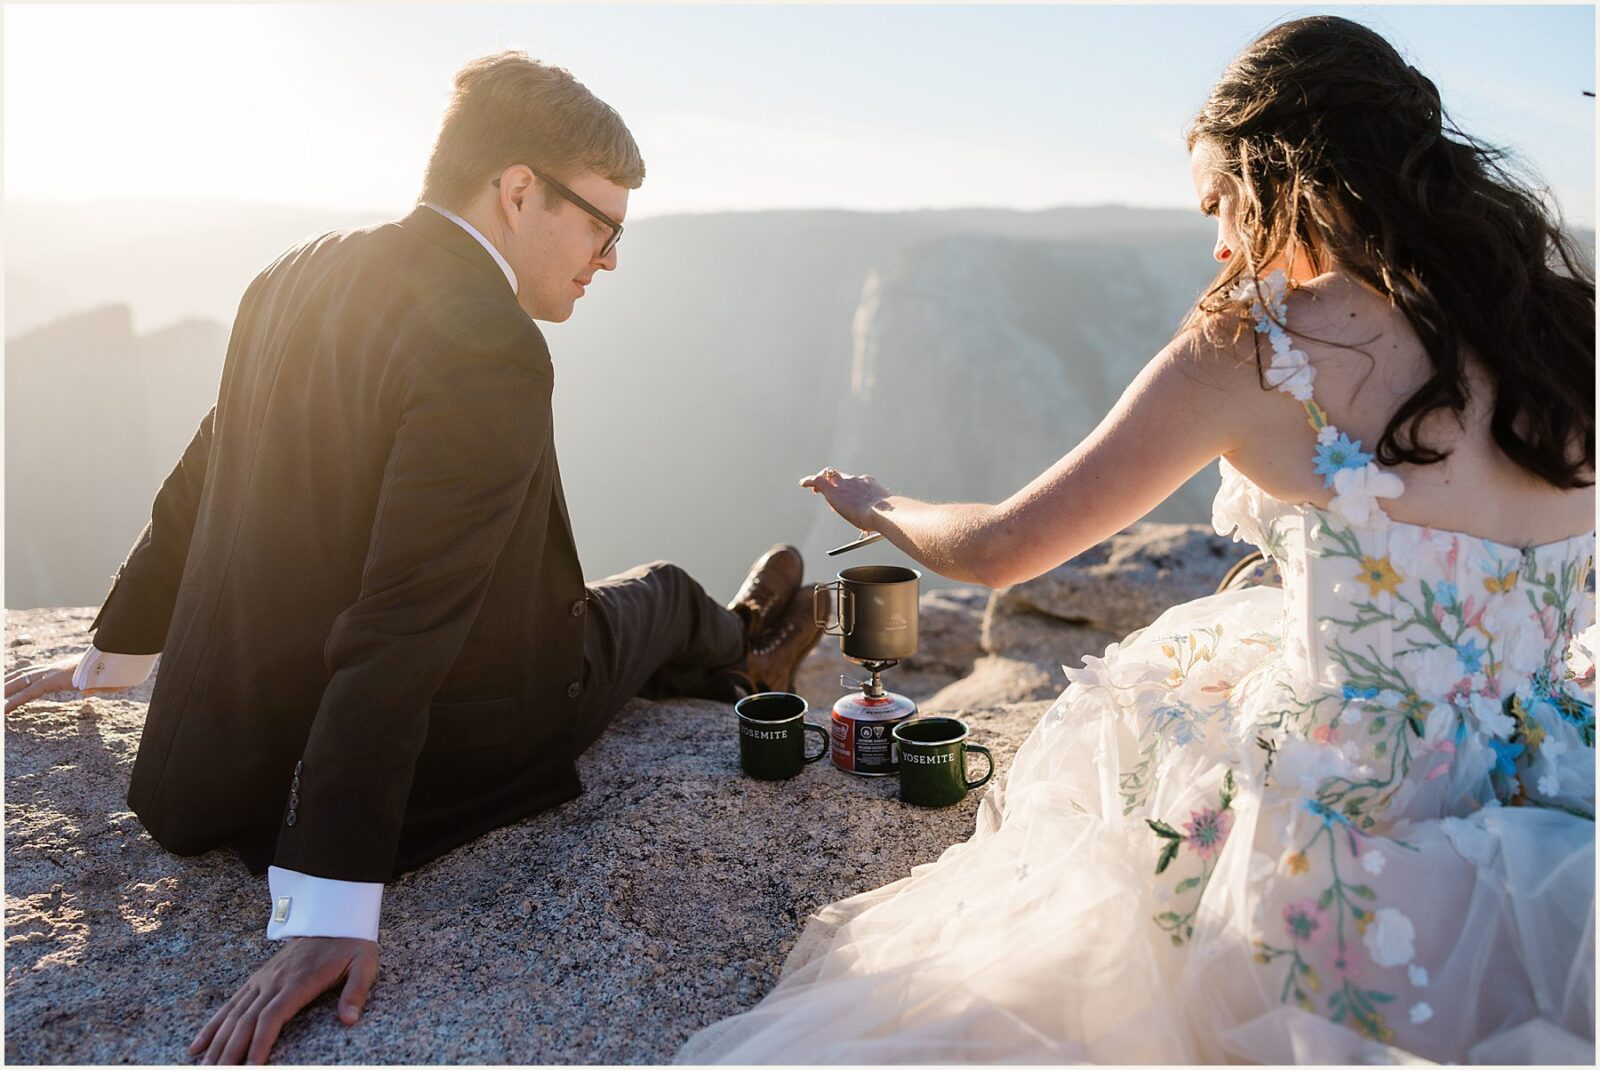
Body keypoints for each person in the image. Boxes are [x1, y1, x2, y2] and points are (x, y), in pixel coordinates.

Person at [677, 15, 1595, 1065]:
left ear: (1276, 173)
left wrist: (882, 506)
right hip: (1555, 809)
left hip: (1347, 833)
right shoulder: (1566, 336)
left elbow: (1000, 548)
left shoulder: (1261, 345)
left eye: (1219, 203)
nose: (1216, 242)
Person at [2, 52, 824, 1066]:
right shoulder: (489, 344)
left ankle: (737, 648)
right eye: (602, 224)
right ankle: (743, 646)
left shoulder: (292, 272)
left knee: (618, 598)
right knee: (649, 595)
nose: (609, 258)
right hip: (447, 742)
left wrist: (116, 657)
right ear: (518, 191)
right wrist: (331, 901)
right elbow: (400, 625)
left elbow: (205, 472)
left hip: (217, 762)